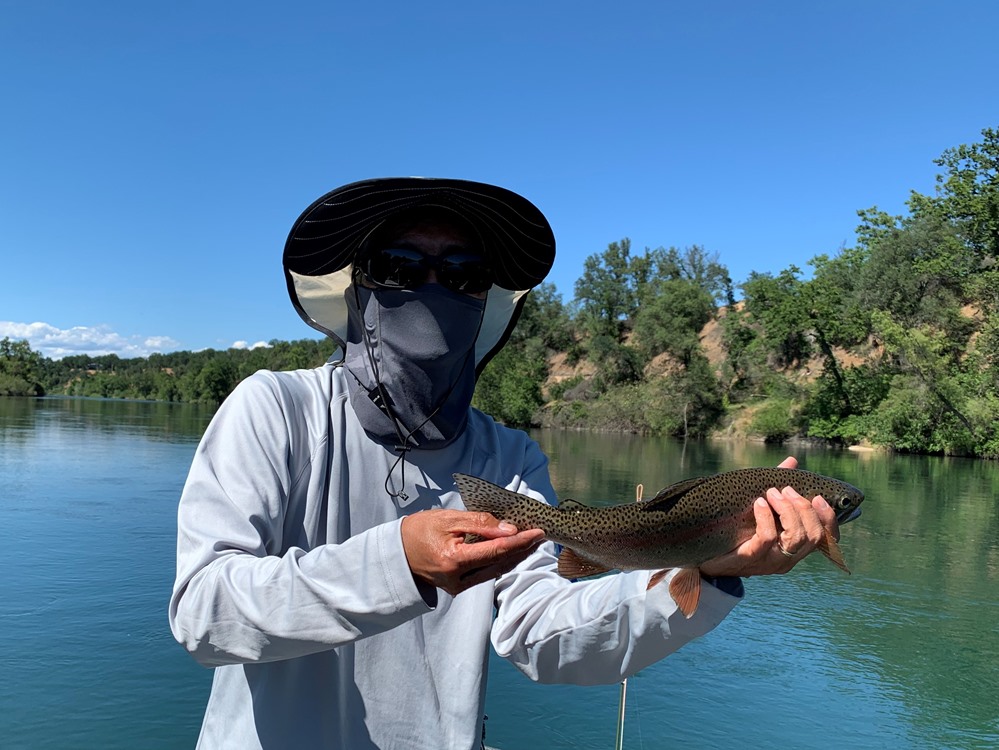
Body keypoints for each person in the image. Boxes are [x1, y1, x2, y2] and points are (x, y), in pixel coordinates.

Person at [169, 177, 839, 750]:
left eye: (461, 274)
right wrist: (395, 562)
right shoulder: (275, 409)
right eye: (398, 267)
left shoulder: (508, 457)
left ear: (483, 303)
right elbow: (204, 614)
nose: (431, 287)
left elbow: (545, 634)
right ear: (357, 290)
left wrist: (705, 571)